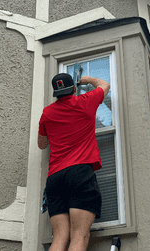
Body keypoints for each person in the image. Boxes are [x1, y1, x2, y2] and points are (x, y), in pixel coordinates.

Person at [38, 73, 110, 251]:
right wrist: (89, 80)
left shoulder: (47, 113)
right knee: (79, 235)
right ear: (74, 89)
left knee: (60, 237)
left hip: (54, 178)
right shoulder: (85, 102)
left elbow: (41, 144)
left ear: (56, 93)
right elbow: (105, 85)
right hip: (79, 173)